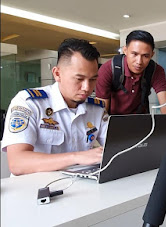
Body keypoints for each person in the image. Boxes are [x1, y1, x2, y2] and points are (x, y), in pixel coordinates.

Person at [1, 38, 108, 176]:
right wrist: (76, 157)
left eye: (93, 79)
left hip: (79, 185)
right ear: (57, 74)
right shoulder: (29, 103)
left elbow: (117, 148)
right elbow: (17, 163)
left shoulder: (96, 109)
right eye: (79, 79)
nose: (87, 88)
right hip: (33, 189)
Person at [96, 30, 166, 149]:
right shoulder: (108, 69)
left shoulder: (156, 70)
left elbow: (165, 105)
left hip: (142, 123)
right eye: (134, 54)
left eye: (145, 56)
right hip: (115, 124)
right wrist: (107, 138)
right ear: (125, 50)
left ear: (152, 54)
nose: (139, 62)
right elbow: (102, 110)